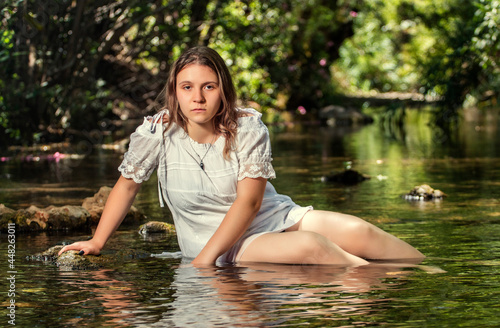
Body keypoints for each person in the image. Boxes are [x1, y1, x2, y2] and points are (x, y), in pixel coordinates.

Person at [59, 46, 424, 266]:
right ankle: (373, 283)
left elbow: (250, 203)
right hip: (217, 241)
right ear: (175, 90)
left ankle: (431, 274)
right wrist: (96, 241)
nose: (198, 98)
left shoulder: (247, 127)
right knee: (313, 247)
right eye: (187, 87)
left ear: (223, 91)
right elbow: (127, 186)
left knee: (360, 230)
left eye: (209, 87)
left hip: (270, 216)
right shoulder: (156, 132)